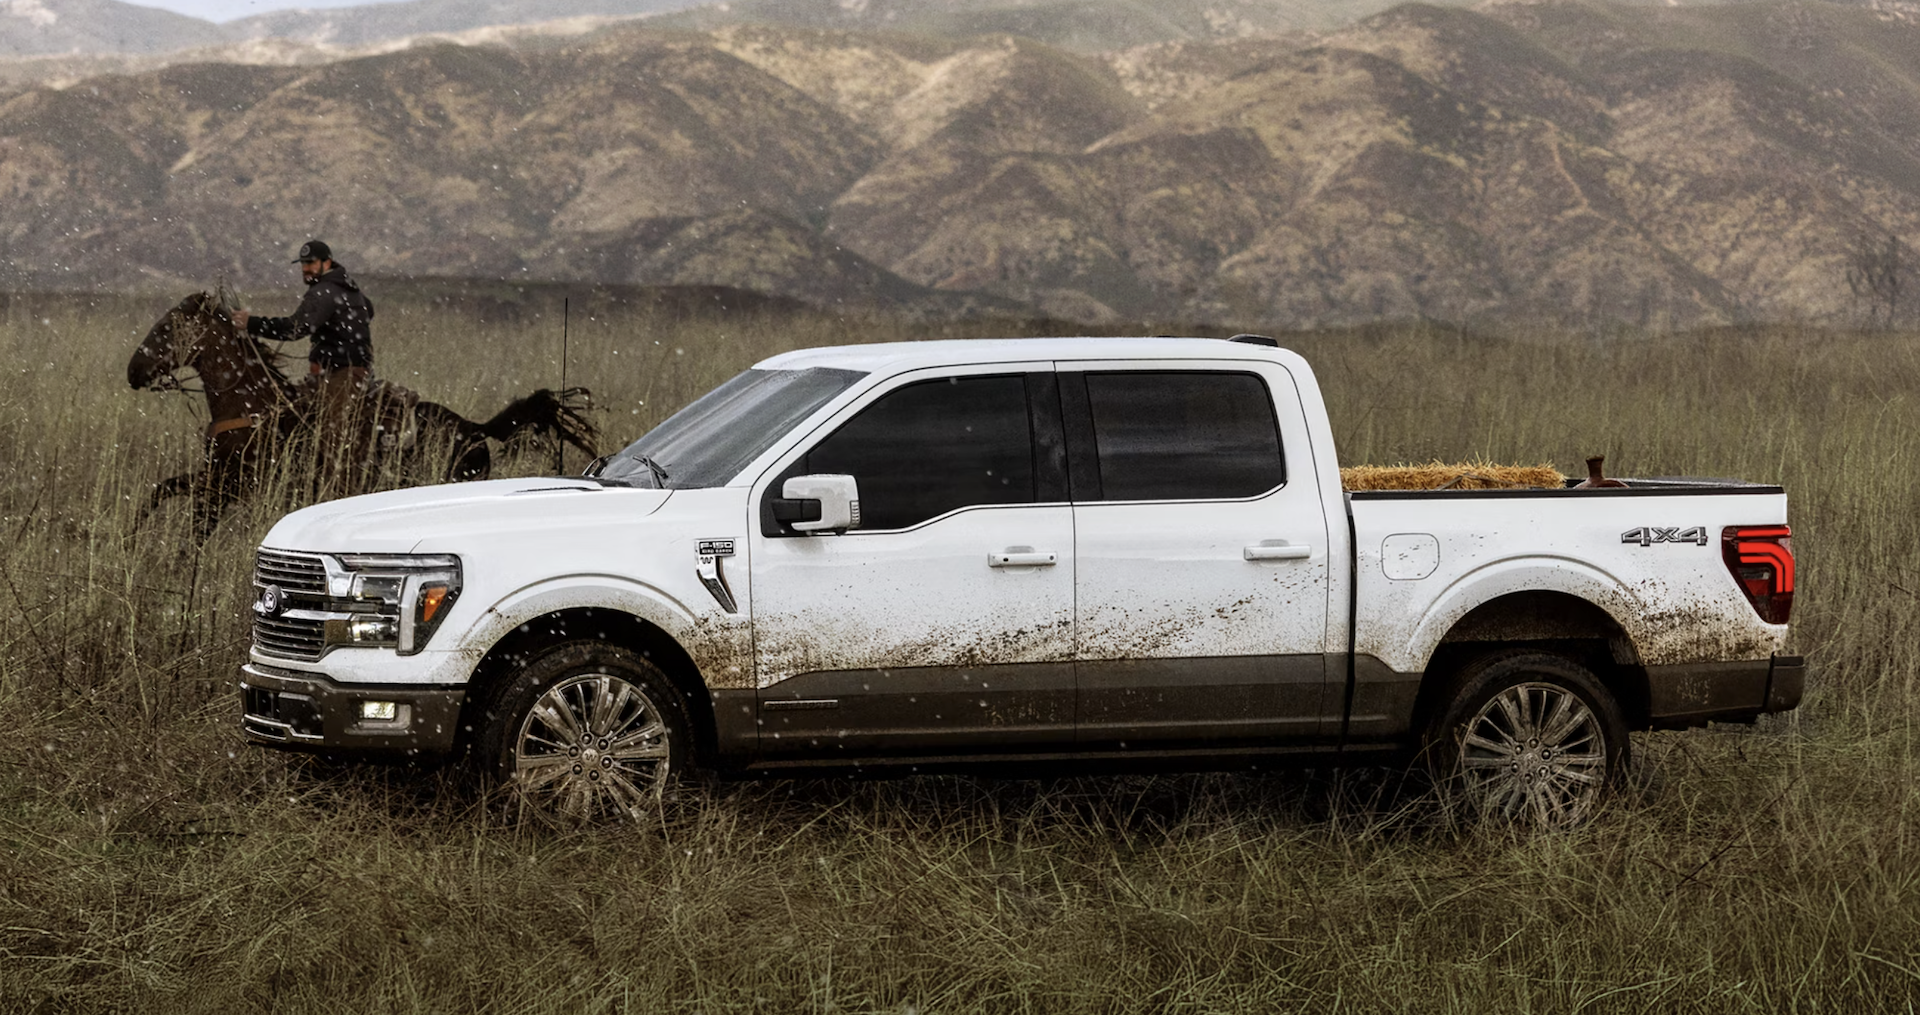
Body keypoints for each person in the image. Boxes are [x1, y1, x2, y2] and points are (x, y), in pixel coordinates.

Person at [231, 240, 376, 495]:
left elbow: (295, 328)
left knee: (332, 438)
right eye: (303, 265)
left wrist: (250, 323)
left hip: (343, 374)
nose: (305, 269)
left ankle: (339, 498)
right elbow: (369, 310)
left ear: (326, 263)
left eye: (310, 263)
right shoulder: (349, 288)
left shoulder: (324, 291)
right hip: (342, 372)